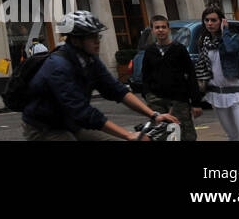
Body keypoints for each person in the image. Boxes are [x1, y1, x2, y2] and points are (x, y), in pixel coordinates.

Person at [21, 11, 177, 141]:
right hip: (43, 128)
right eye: (92, 37)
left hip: (70, 122)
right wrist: (128, 135)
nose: (97, 41)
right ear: (76, 40)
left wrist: (154, 115)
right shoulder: (58, 67)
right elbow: (84, 113)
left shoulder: (90, 60)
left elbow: (117, 90)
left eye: (98, 36)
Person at [133, 14, 202, 141]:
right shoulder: (150, 51)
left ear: (168, 29)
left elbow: (191, 75)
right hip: (156, 100)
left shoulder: (179, 49)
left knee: (184, 134)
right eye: (157, 27)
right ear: (153, 30)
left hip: (179, 100)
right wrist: (148, 94)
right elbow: (146, 75)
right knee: (160, 135)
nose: (160, 30)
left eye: (163, 27)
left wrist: (196, 102)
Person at [194, 7, 239, 141]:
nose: (210, 23)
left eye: (213, 20)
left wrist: (225, 30)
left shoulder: (232, 37)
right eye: (207, 20)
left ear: (221, 21)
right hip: (217, 94)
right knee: (232, 136)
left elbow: (230, 49)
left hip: (237, 94)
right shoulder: (203, 42)